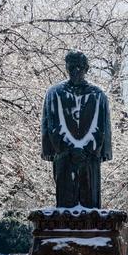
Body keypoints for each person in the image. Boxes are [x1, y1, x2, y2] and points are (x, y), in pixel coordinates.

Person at [40, 51, 112, 208]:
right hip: (64, 155)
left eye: (80, 67)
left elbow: (102, 126)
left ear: (86, 68)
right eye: (72, 67)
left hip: (91, 155)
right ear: (66, 68)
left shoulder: (98, 95)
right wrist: (65, 148)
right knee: (65, 199)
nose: (76, 71)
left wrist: (91, 149)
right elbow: (51, 124)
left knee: (90, 201)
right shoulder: (54, 93)